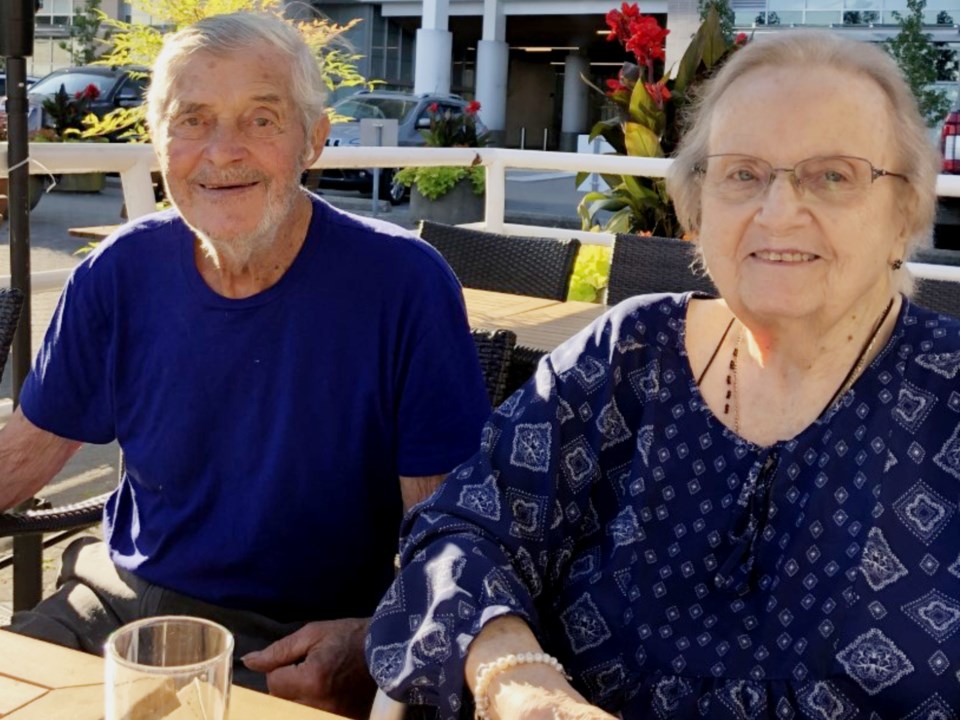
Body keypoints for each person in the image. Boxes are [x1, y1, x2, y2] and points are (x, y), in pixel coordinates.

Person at [365, 30, 960, 718]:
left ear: (905, 211)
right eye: (743, 173)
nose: (778, 211)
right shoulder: (628, 357)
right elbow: (460, 533)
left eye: (833, 175)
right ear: (698, 206)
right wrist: (522, 684)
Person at [0, 12, 490, 718]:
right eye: (192, 119)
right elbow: (21, 457)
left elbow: (450, 534)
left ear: (314, 140)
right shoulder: (117, 273)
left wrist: (375, 643)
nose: (222, 152)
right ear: (158, 139)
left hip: (291, 645)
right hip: (109, 608)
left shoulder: (403, 284)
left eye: (262, 119)